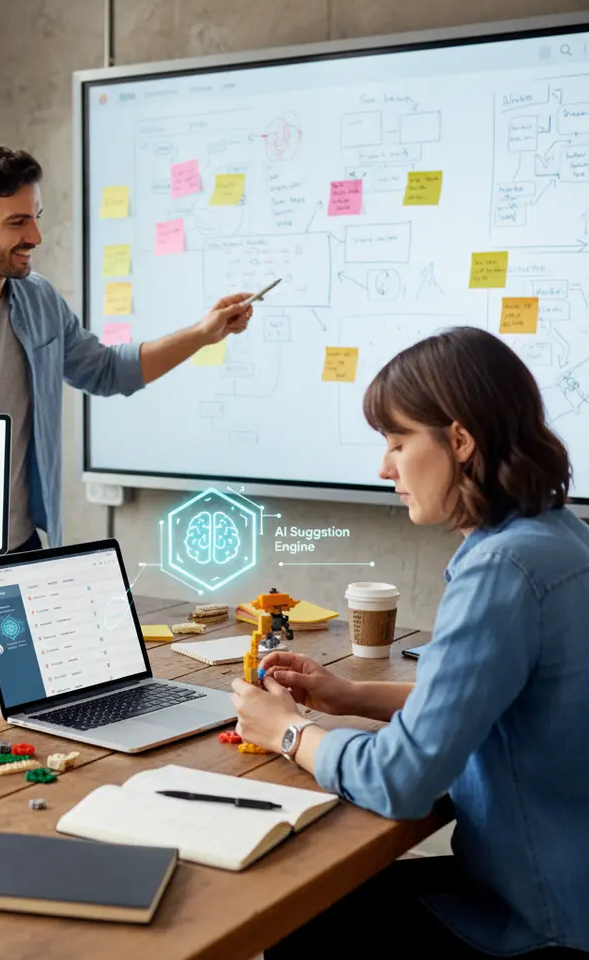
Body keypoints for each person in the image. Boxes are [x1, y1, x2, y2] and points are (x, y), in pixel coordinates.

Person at [230, 327, 589, 957]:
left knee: (289, 903)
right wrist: (347, 696)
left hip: (537, 919)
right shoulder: (559, 536)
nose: (384, 467)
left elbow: (401, 779)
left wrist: (287, 731)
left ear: (458, 440)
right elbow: (496, 705)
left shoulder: (501, 570)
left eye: (397, 442)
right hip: (561, 884)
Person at [0, 142, 254, 614]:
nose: (37, 236)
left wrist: (203, 334)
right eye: (17, 222)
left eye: (37, 216)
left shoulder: (39, 300)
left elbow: (108, 371)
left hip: (24, 557)